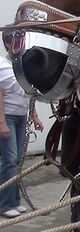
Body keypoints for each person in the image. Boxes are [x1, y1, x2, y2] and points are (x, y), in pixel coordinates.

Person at [0, 45, 43, 218]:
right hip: (8, 117)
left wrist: (35, 116)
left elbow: (28, 93)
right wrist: (2, 123)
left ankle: (14, 201)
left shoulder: (22, 66)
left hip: (21, 117)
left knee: (17, 161)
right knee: (9, 161)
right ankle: (5, 204)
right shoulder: (2, 65)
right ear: (9, 44)